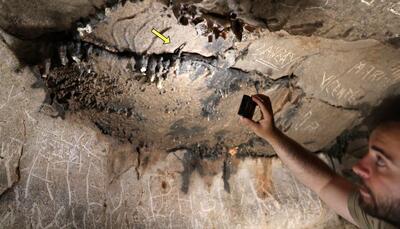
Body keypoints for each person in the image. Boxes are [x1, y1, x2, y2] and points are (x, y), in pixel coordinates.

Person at [239, 94, 400, 229]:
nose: (358, 168)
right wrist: (272, 135)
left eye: (381, 161)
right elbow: (325, 183)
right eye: (369, 153)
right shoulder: (384, 219)